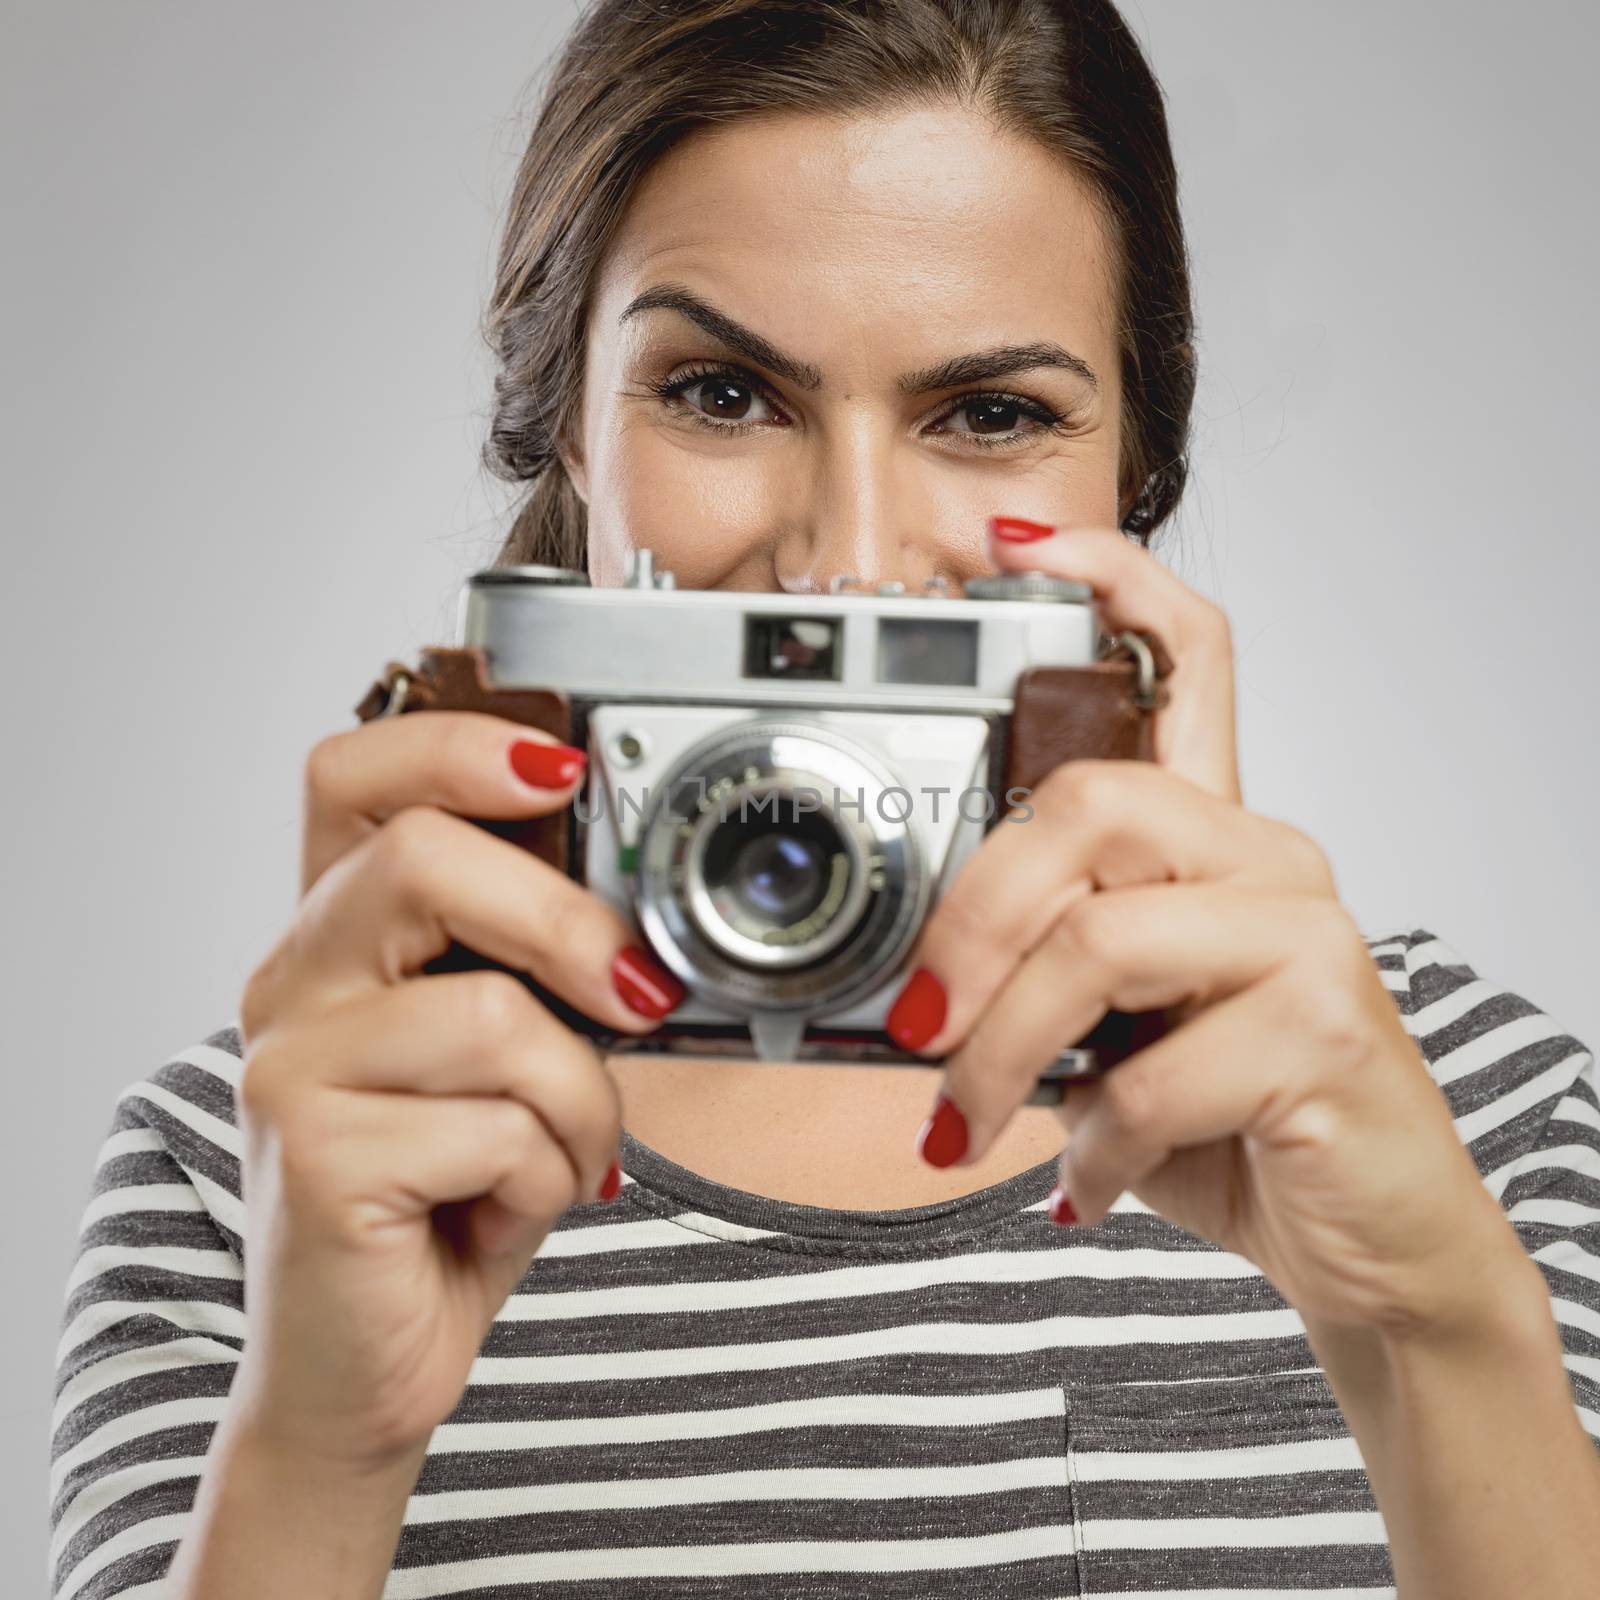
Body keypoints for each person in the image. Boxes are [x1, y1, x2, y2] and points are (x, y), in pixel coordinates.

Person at [49, 2, 1600, 1596]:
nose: (847, 558)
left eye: (991, 414)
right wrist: (322, 1445)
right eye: (722, 392)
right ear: (570, 436)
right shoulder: (265, 1167)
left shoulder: (1464, 1117)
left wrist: (1437, 1337)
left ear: (1131, 471)